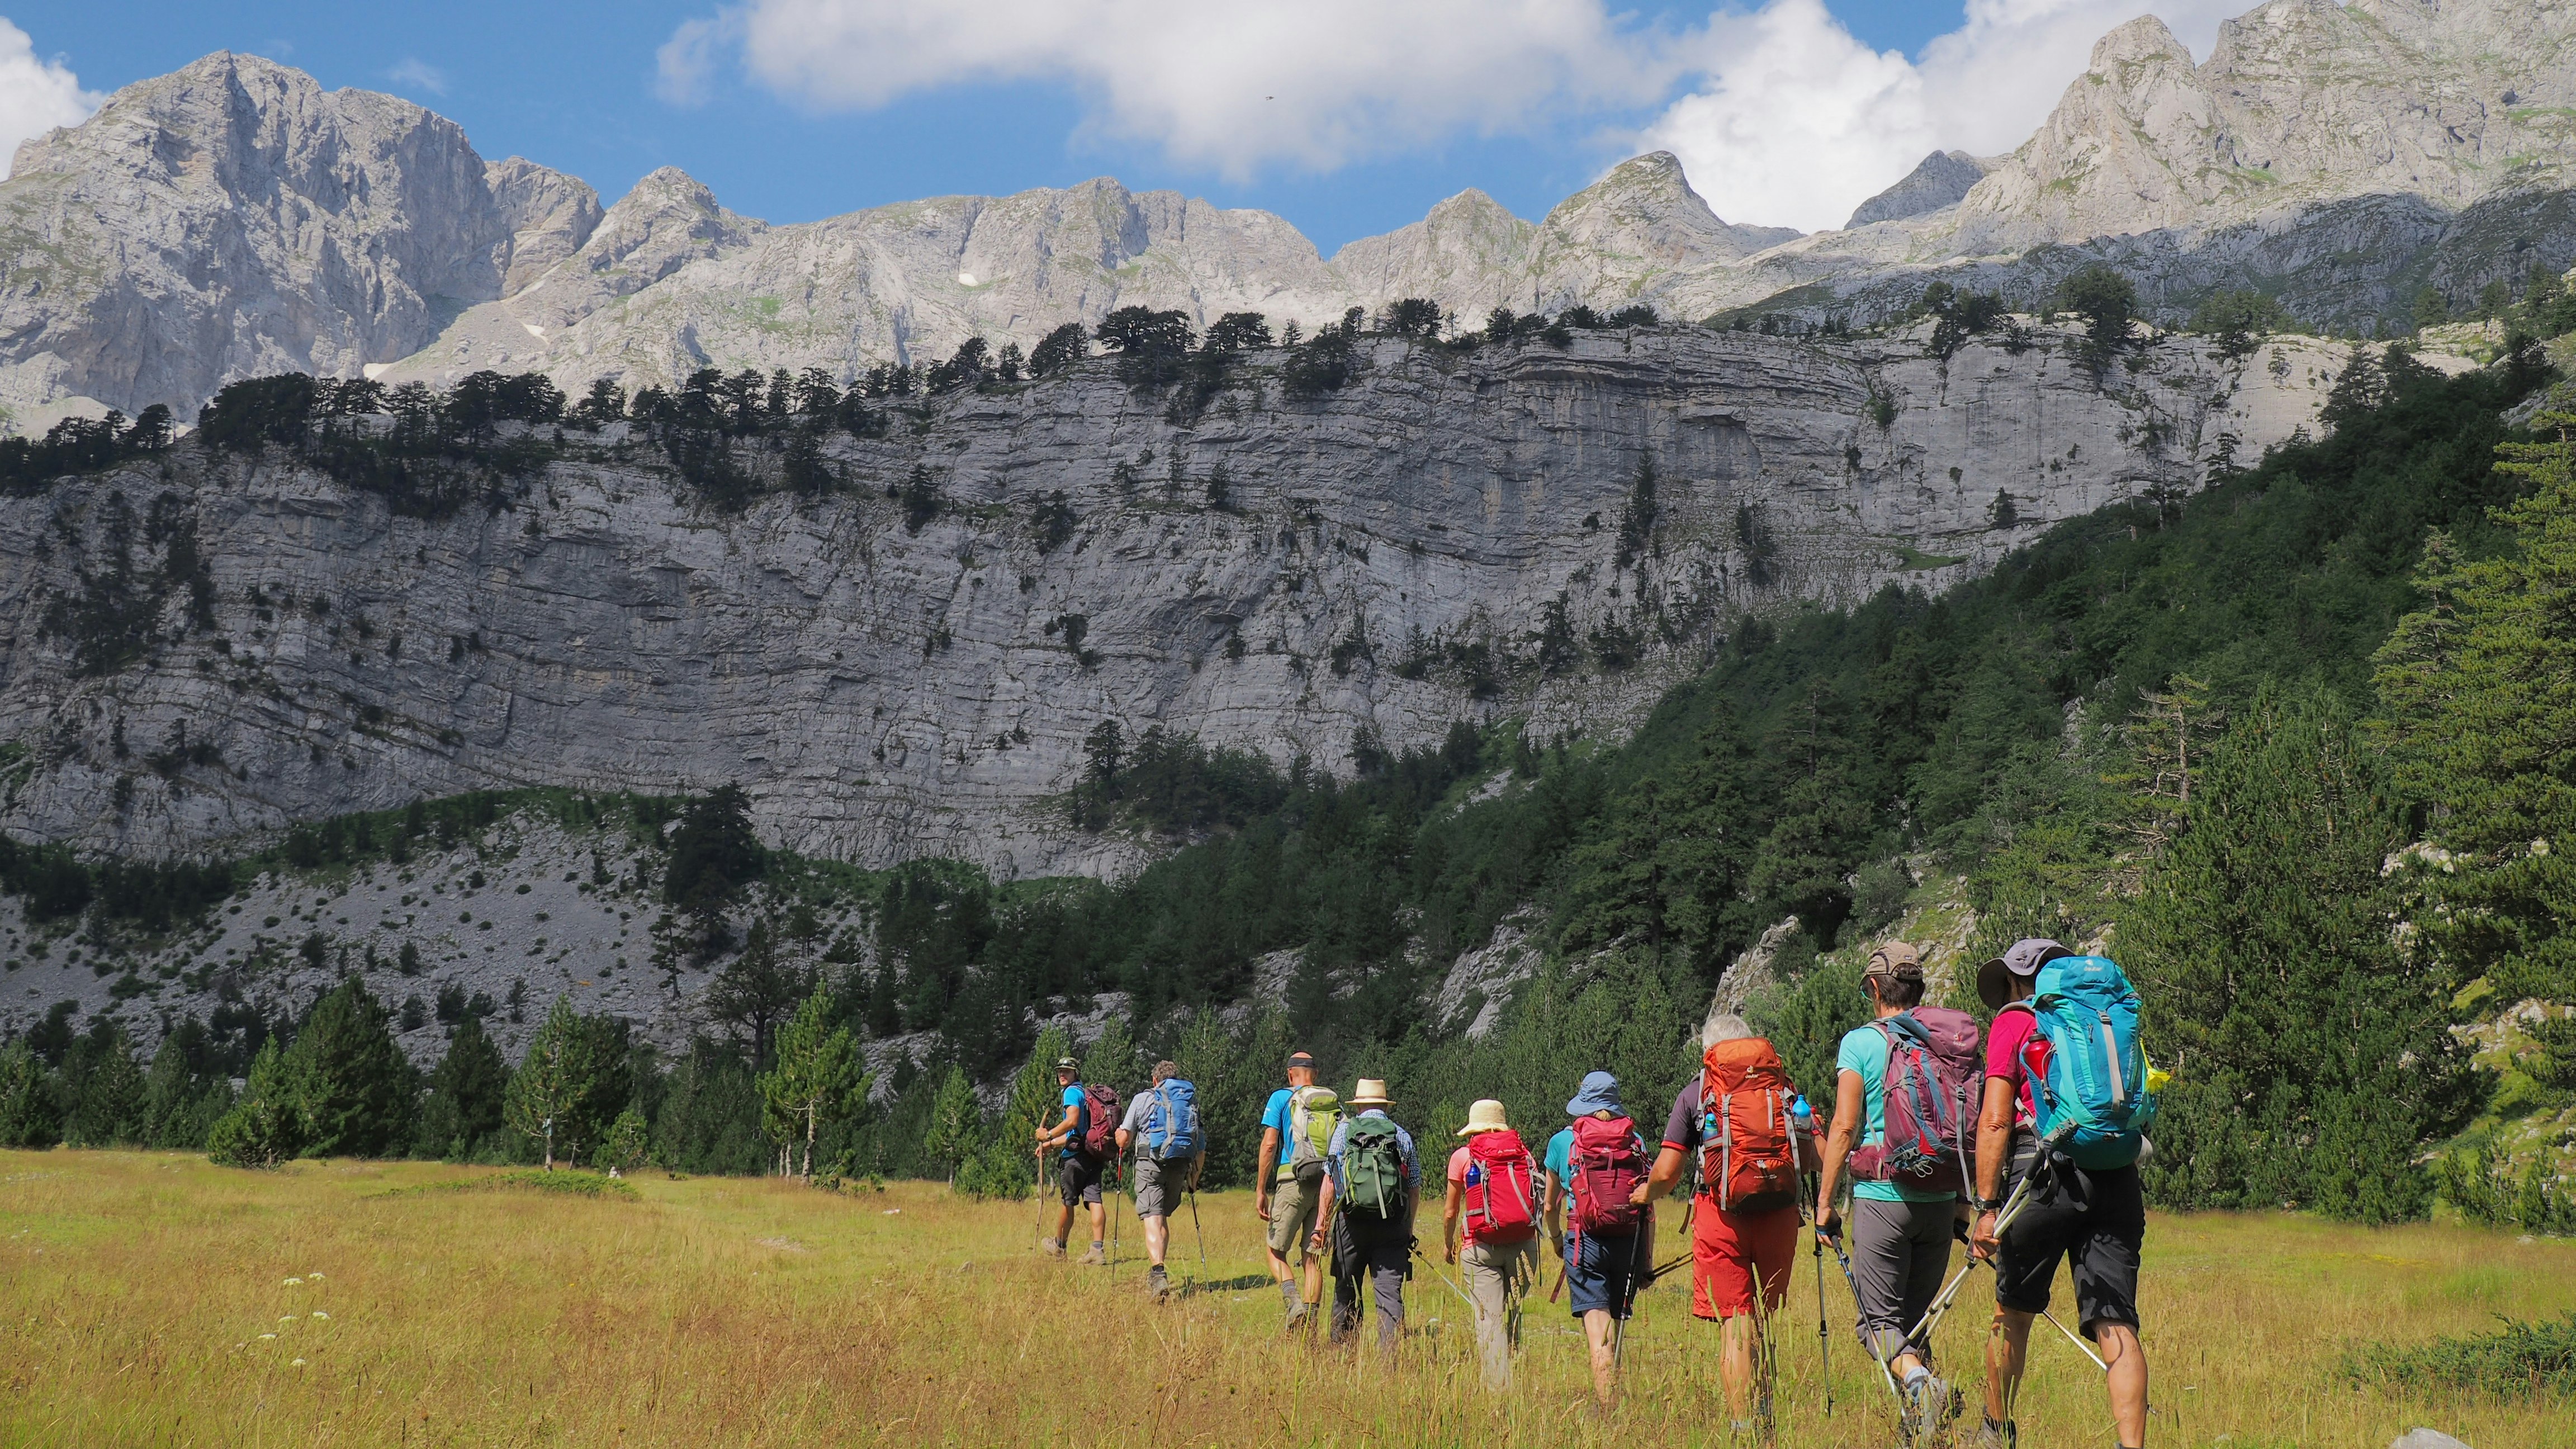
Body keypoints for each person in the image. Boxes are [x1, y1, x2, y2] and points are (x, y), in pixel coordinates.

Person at [1969, 939, 2151, 1449]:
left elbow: (1997, 1118)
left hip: (2042, 1175)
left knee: (2014, 1312)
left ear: (2013, 981)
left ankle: (1994, 1432)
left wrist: (1986, 1208)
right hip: (2116, 1171)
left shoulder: (2015, 1020)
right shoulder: (2105, 1017)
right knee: (2117, 1321)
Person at [1636, 1014, 1814, 1437]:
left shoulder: (1697, 1093)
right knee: (1765, 1317)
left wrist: (1645, 1194)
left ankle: (1741, 1425)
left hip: (1721, 1217)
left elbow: (1667, 1172)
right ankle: (1768, 1419)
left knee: (1735, 1322)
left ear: (1709, 1052)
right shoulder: (1781, 1085)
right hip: (1780, 1216)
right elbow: (1815, 1153)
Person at [1813, 942, 1962, 1432]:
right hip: (1941, 1198)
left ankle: (1924, 1387)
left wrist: (1824, 1204)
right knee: (1916, 1322)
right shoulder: (1944, 1041)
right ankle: (1924, 1431)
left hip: (1883, 1198)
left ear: (1875, 988)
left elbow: (1843, 1127)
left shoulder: (1861, 1043)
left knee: (1877, 1324)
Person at [1545, 1070, 1651, 1410]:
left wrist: (1557, 1239)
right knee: (1616, 1329)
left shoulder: (1563, 1143)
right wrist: (1646, 1262)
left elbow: (1549, 1205)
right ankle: (1614, 1396)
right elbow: (1648, 1211)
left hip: (1584, 1241)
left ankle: (1608, 1410)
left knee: (1597, 1332)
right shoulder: (1635, 1141)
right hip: (1628, 1241)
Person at [1309, 1078, 1417, 1355]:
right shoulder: (1401, 1135)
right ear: (1384, 1105)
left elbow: (1330, 1181)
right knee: (1389, 1294)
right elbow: (1414, 1186)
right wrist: (1408, 1229)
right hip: (1392, 1225)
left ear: (1359, 1105)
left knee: (1346, 1289)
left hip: (1350, 1223)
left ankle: (1343, 1357)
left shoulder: (1344, 1132)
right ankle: (1390, 1363)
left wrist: (1321, 1225)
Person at [1441, 1098, 1541, 1388]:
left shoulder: (1463, 1157)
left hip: (1479, 1246)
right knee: (1513, 1314)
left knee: (1490, 1322)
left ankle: (1500, 1393)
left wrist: (1448, 1245)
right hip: (1524, 1246)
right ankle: (1516, 1374)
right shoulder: (1525, 1155)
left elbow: (1450, 1211)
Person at [1256, 1050, 1332, 1329]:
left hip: (1292, 1181)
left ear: (1290, 1074)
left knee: (1275, 1251)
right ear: (1316, 1074)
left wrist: (1261, 1189)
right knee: (1312, 1257)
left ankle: (1294, 1304)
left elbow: (1269, 1145)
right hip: (1325, 1186)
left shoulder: (1280, 1098)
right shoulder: (1330, 1100)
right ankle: (1310, 1324)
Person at [1117, 1059, 1204, 1303]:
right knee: (1163, 1216)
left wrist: (1118, 1136)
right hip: (1179, 1165)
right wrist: (1194, 1178)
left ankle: (1158, 1272)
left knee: (1152, 1218)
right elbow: (1201, 1146)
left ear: (1155, 1080)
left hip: (1150, 1164)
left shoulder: (1144, 1098)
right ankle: (1159, 1270)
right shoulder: (1190, 1101)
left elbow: (1124, 1139)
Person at [1033, 1055, 1107, 1265]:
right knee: (1095, 1200)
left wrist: (1047, 1135)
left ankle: (1059, 1247)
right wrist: (1050, 1145)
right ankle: (1097, 1249)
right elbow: (1076, 1132)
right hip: (1093, 1154)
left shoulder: (1071, 1093)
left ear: (1076, 1074)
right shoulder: (1086, 1094)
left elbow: (1072, 1120)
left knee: (1068, 1202)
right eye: (1060, 1071)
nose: (1062, 1075)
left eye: (1067, 1071)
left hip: (1074, 1159)